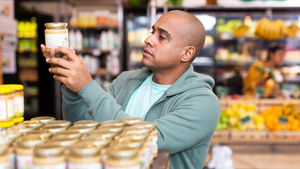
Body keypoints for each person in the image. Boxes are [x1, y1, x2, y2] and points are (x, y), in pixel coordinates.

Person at [41, 10, 220, 169]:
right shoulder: (126, 80)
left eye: (162, 37)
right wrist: (72, 84)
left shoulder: (204, 103)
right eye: (152, 32)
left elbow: (145, 140)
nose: (148, 39)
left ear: (187, 53)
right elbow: (83, 130)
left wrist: (87, 86)